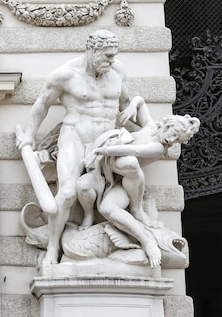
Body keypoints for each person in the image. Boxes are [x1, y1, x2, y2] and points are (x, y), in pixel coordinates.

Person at [17, 29, 131, 266]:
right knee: (67, 193)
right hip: (75, 136)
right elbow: (42, 104)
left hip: (107, 141)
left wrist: (152, 132)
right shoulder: (65, 75)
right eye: (108, 56)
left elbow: (126, 105)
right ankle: (52, 248)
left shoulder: (117, 70)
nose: (112, 61)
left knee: (124, 179)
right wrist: (29, 136)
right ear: (93, 50)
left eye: (114, 55)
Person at [78, 98, 199, 267]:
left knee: (126, 170)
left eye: (176, 140)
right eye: (173, 134)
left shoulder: (158, 148)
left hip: (128, 181)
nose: (171, 140)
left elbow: (132, 150)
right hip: (106, 172)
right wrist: (133, 106)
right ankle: (89, 215)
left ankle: (146, 237)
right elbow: (140, 101)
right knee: (83, 187)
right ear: (168, 125)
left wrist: (101, 151)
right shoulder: (149, 126)